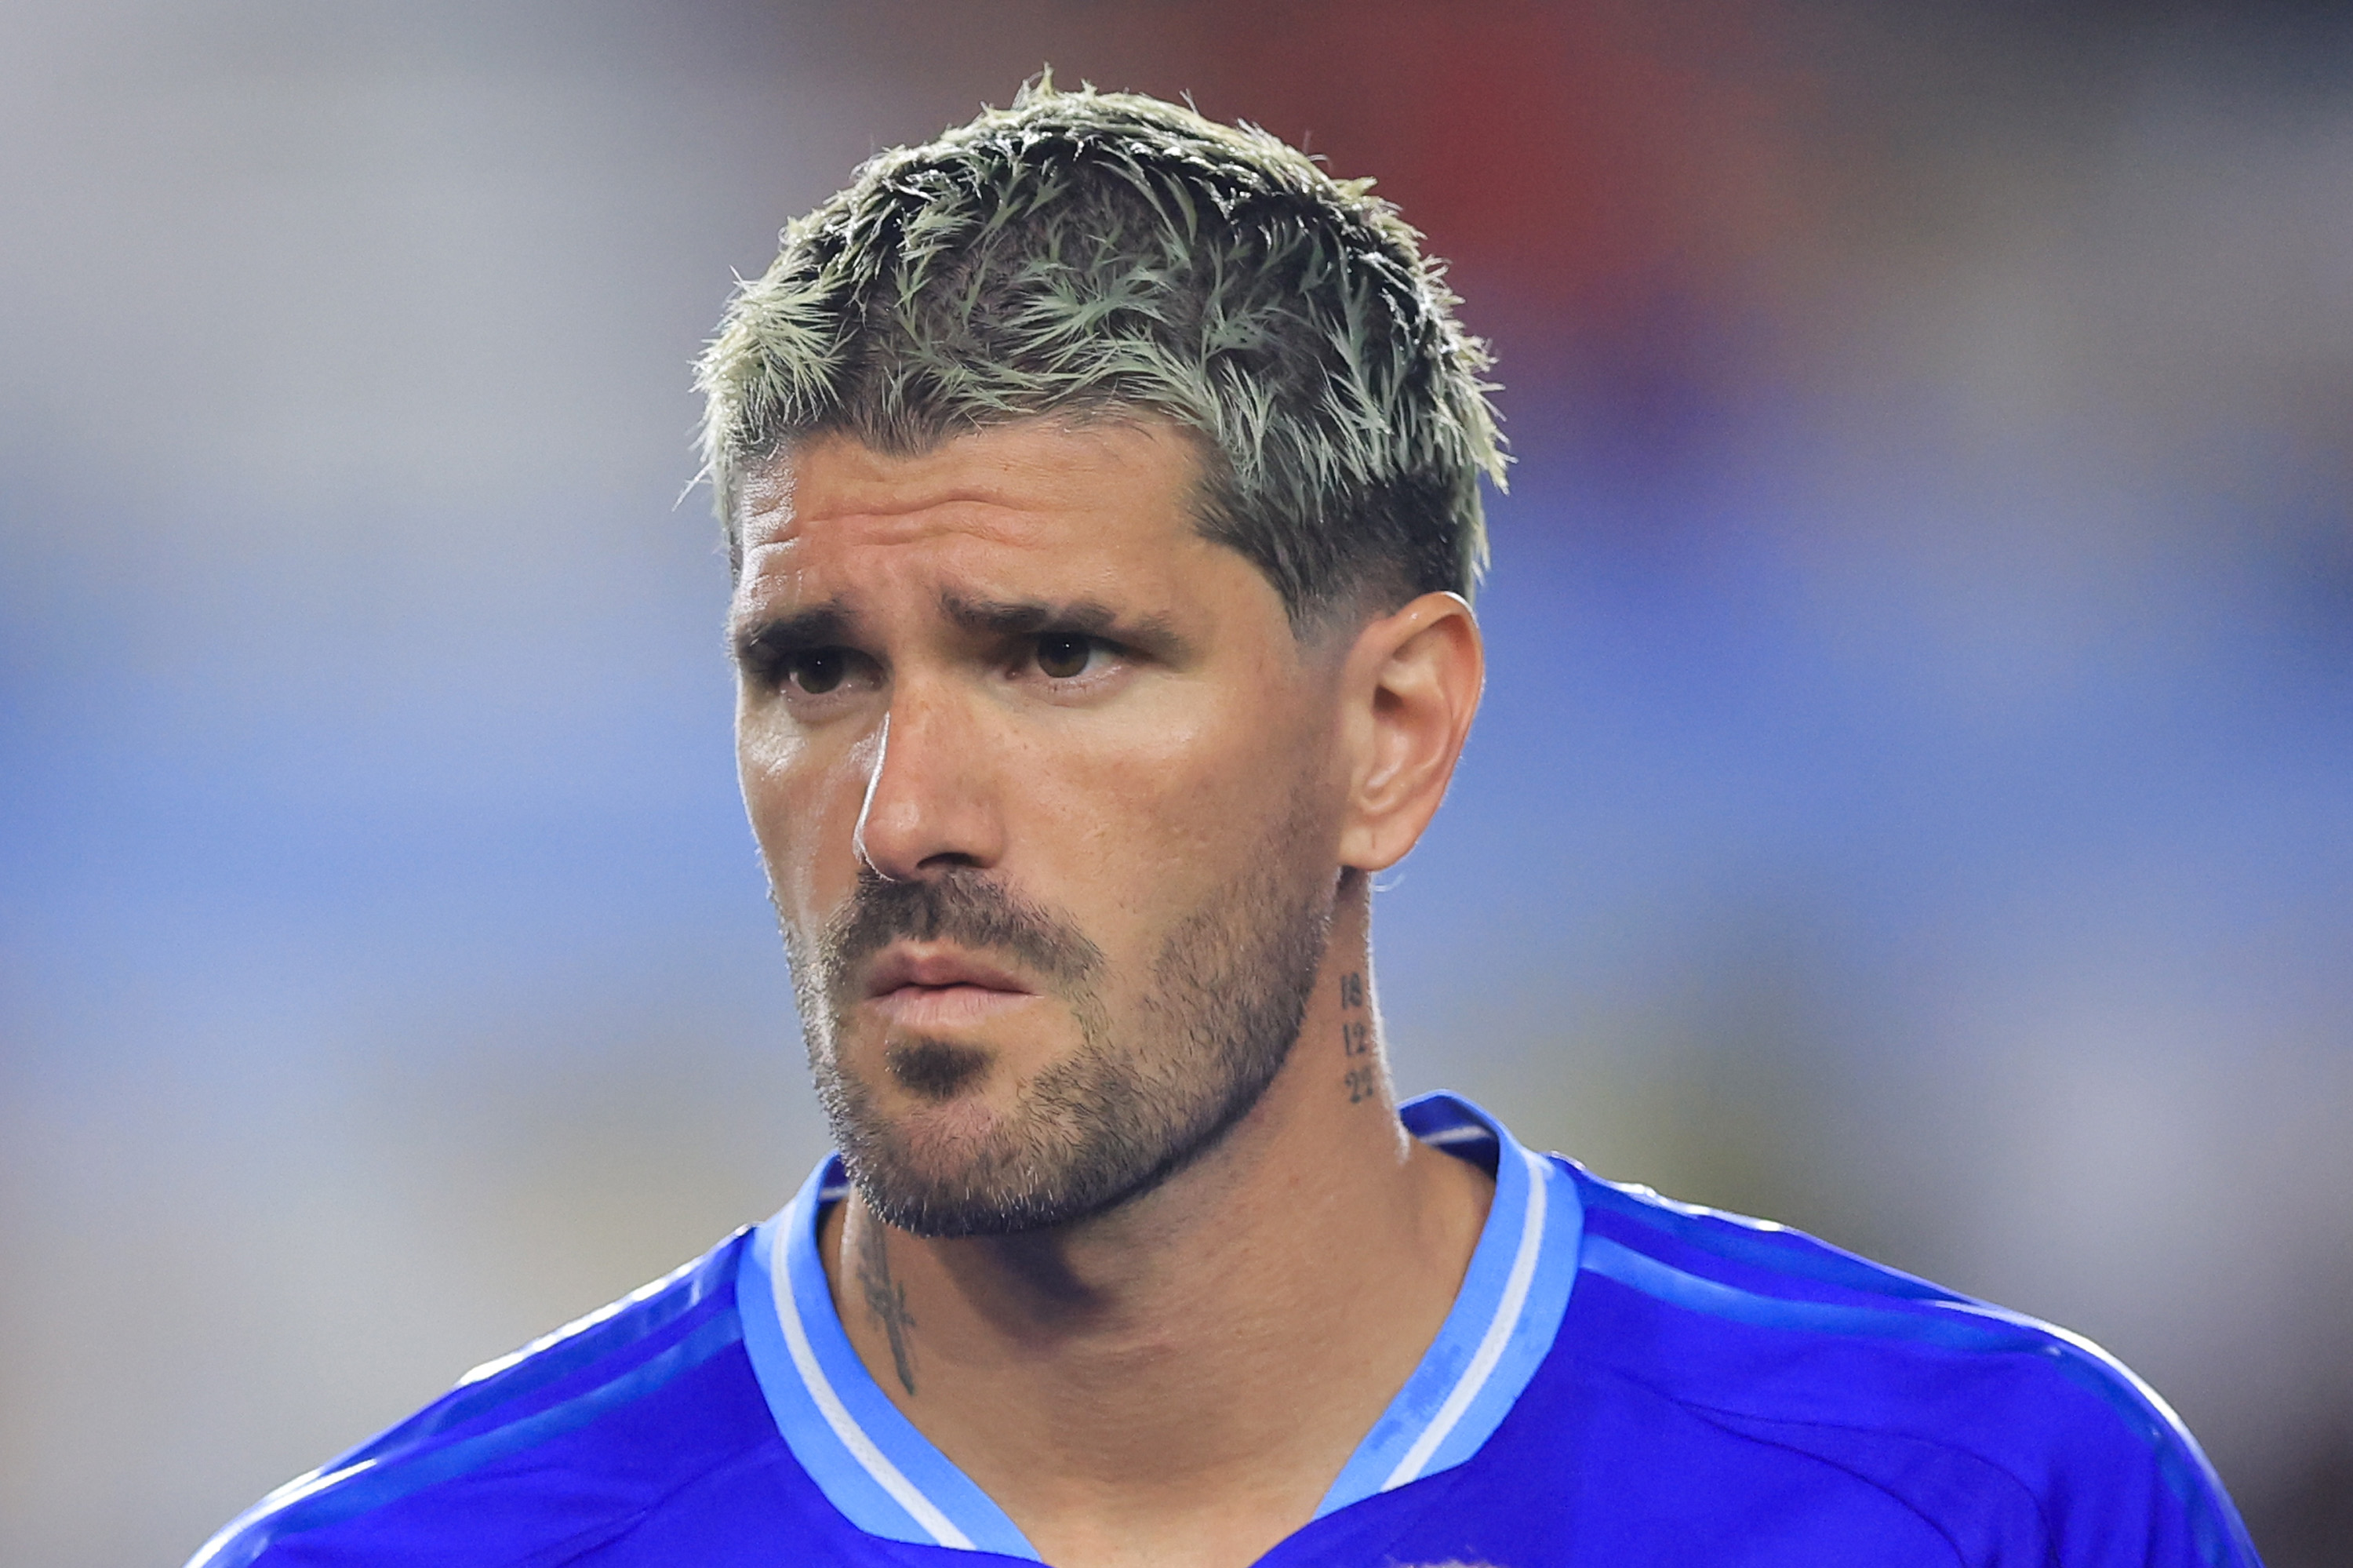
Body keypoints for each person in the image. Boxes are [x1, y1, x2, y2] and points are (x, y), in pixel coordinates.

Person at [191, 82, 2259, 1568]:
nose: (904, 816)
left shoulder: (1989, 1500)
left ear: (1392, 729)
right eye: (816, 671)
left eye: (1058, 656)